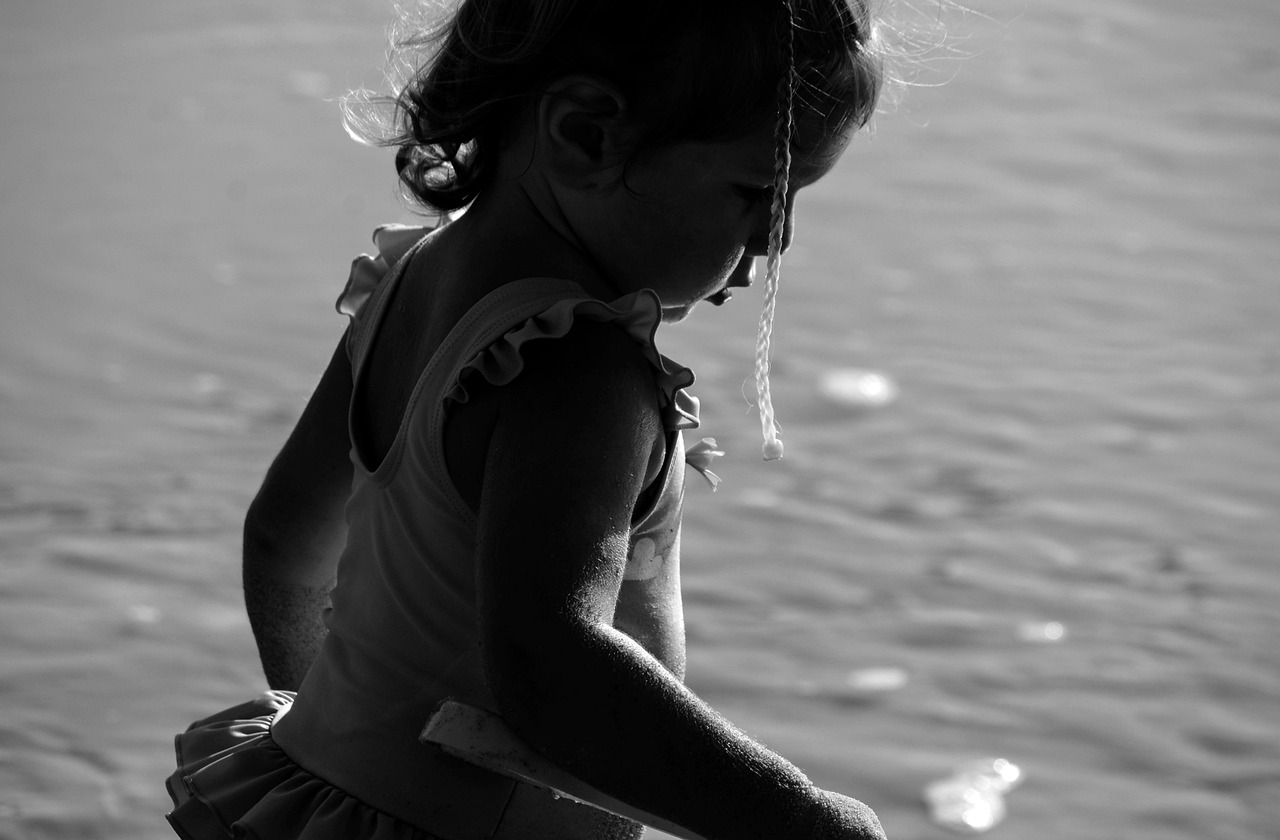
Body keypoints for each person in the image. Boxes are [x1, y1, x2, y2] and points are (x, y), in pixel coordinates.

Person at [165, 1, 892, 838]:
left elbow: (284, 540)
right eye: (758, 191)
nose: (777, 238)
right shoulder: (581, 367)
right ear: (586, 133)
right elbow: (552, 667)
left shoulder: (411, 281)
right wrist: (797, 816)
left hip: (316, 796)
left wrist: (342, 744)